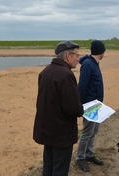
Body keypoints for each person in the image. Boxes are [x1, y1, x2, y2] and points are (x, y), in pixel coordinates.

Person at [33, 40, 84, 176]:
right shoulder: (65, 75)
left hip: (47, 129)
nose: (78, 59)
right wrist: (82, 109)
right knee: (60, 170)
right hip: (61, 132)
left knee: (48, 167)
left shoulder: (46, 71)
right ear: (68, 56)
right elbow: (72, 108)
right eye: (77, 56)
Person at [76, 40, 106, 172]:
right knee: (87, 133)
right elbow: (82, 86)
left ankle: (89, 154)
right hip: (89, 104)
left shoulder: (94, 63)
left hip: (97, 103)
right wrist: (81, 104)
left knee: (94, 131)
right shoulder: (88, 64)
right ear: (102, 52)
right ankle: (80, 158)